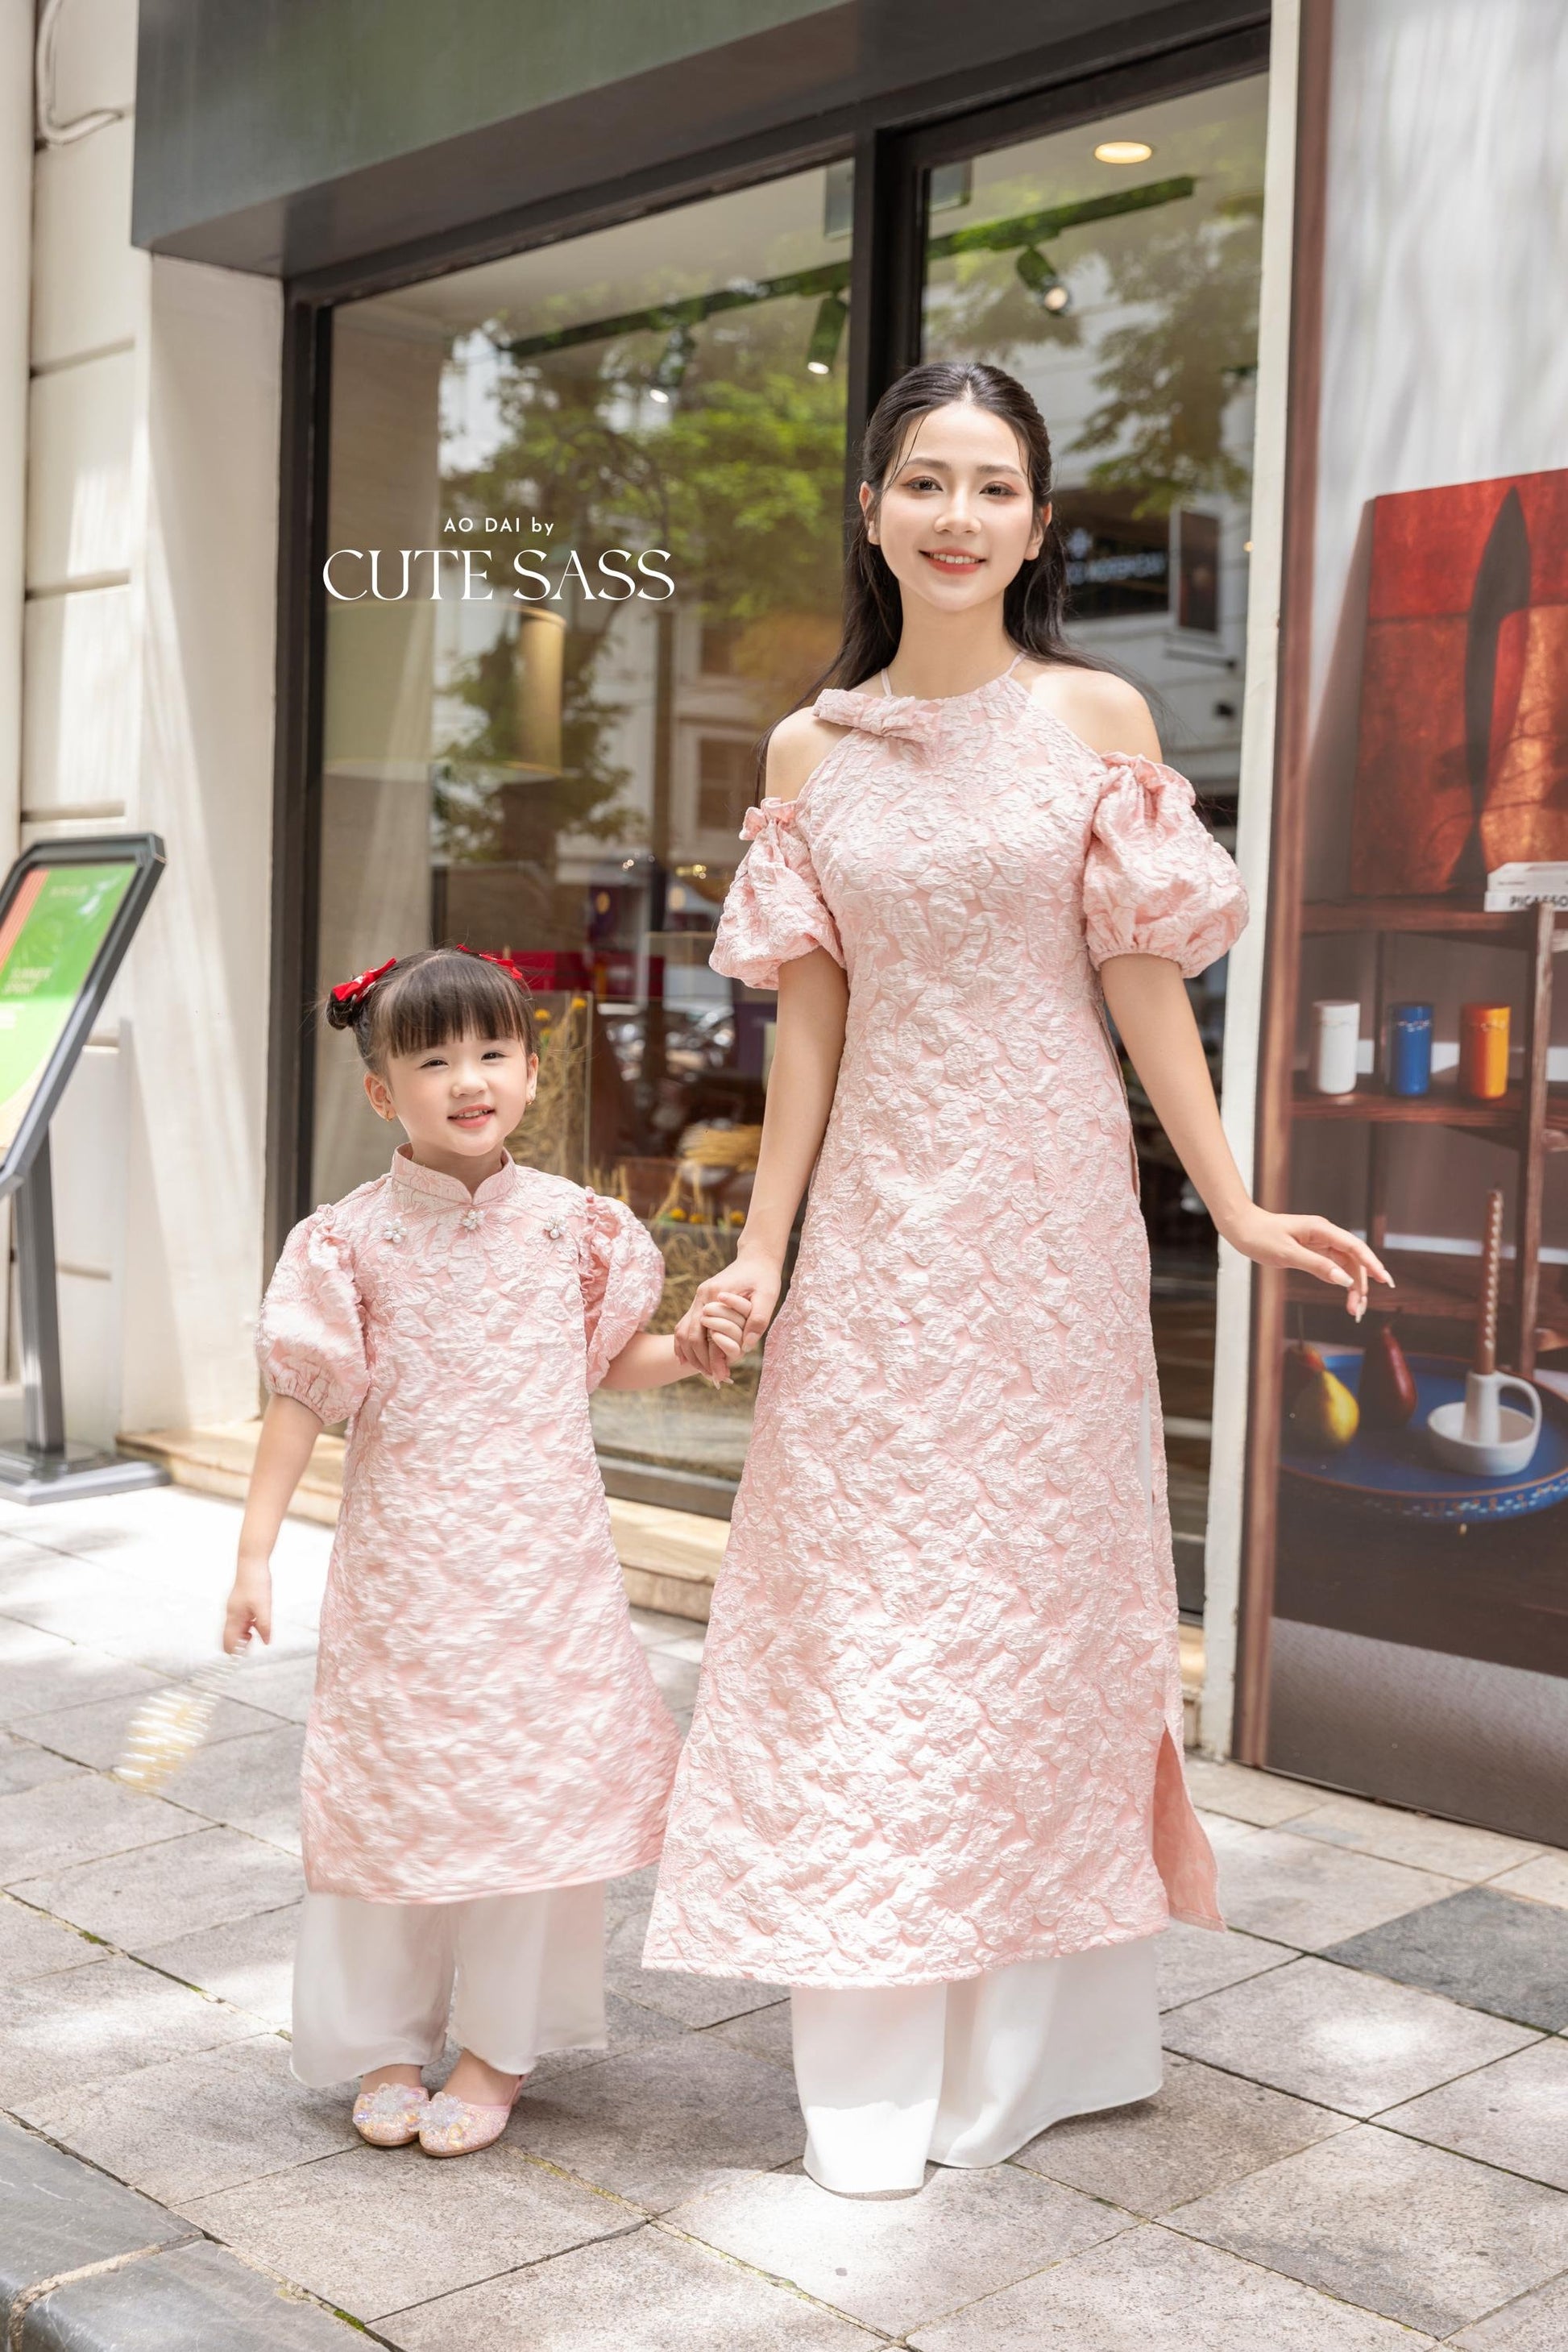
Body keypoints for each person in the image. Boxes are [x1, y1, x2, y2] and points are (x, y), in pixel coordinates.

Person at [645, 359, 1392, 2196]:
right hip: (887, 1238)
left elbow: (1146, 984)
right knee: (865, 1617)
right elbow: (807, 1027)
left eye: (994, 486)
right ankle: (879, 2051)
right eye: (926, 481)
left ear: (1036, 526)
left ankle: (1037, 2043)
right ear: (877, 511)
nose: (958, 514)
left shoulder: (1095, 716)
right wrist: (761, 1250)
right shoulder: (807, 752)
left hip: (1052, 1235)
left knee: (1037, 1615)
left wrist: (1229, 1201)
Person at [222, 945, 745, 2158]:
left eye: (495, 1053)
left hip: (540, 1580)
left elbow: (612, 1363)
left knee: (526, 1805)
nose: (471, 1079)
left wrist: (696, 1351)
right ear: (381, 1091)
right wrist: (253, 1557)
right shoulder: (345, 1245)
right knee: (392, 1801)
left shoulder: (576, 1229)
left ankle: (497, 2050)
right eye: (436, 1058)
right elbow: (299, 1402)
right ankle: (383, 2044)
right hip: (403, 1581)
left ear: (531, 1070)